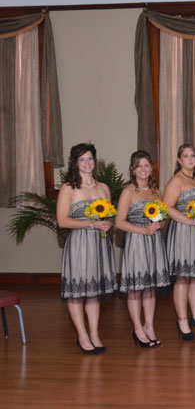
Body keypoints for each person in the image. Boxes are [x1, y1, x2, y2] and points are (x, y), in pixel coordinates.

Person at [57, 143, 117, 354]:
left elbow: (109, 215)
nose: (87, 163)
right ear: (75, 163)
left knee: (93, 292)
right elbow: (62, 221)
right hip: (79, 244)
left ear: (95, 161)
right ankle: (82, 336)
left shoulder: (103, 189)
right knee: (77, 292)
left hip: (100, 243)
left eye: (90, 158)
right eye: (82, 159)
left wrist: (108, 223)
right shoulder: (68, 188)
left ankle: (94, 333)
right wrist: (90, 224)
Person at [116, 150, 171, 348]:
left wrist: (160, 225)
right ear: (133, 169)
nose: (143, 169)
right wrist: (141, 230)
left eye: (146, 165)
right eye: (139, 166)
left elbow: (164, 217)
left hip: (154, 242)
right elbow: (119, 222)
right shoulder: (128, 192)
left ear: (151, 168)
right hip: (136, 242)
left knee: (150, 287)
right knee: (136, 288)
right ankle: (137, 329)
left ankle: (149, 326)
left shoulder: (156, 191)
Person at [163, 143, 195, 341]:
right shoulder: (176, 181)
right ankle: (182, 320)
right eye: (186, 156)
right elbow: (167, 207)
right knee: (183, 277)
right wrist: (190, 221)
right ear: (179, 160)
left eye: (193, 155)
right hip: (183, 231)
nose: (190, 159)